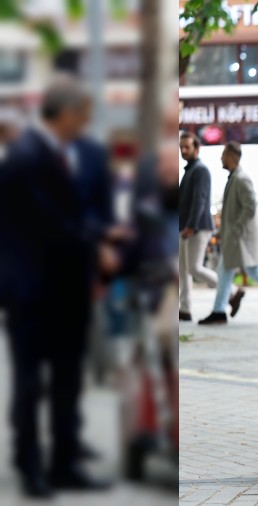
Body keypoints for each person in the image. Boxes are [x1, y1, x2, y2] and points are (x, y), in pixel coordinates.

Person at [0, 75, 113, 497]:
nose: (86, 122)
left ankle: (64, 462)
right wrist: (95, 243)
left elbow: (90, 212)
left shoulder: (82, 153)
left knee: (68, 379)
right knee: (30, 383)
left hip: (70, 288)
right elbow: (43, 223)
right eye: (82, 114)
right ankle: (30, 467)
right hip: (30, 291)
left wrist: (100, 242)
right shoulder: (24, 156)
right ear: (65, 113)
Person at [198, 141, 258, 325]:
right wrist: (223, 231)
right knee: (226, 271)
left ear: (230, 156)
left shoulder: (241, 178)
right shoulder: (236, 177)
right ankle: (219, 310)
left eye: (223, 154)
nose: (221, 158)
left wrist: (235, 229)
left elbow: (250, 207)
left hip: (241, 239)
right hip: (236, 239)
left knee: (256, 272)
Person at [178, 131, 218, 322]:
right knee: (183, 270)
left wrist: (191, 226)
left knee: (194, 269)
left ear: (197, 147)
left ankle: (233, 291)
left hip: (197, 227)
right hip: (187, 227)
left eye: (187, 147)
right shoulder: (191, 169)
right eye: (181, 147)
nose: (183, 150)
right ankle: (184, 309)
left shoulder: (200, 170)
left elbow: (199, 200)